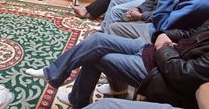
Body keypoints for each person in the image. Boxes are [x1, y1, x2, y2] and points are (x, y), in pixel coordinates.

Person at [25, 19, 209, 109]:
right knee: (97, 40)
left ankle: (77, 100)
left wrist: (163, 49)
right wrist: (165, 35)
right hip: (154, 51)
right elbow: (192, 32)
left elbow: (184, 74)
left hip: (159, 69)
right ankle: (53, 73)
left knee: (95, 57)